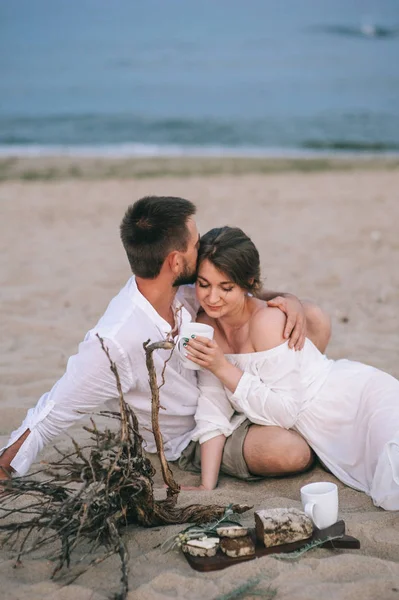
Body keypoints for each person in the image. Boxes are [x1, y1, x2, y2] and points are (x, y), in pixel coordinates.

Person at [0, 197, 331, 484]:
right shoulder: (116, 340)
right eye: (195, 242)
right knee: (290, 452)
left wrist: (287, 298)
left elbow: (233, 292)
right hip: (195, 436)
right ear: (175, 261)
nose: (200, 247)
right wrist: (4, 467)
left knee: (311, 317)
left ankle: (293, 403)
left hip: (229, 388)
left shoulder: (182, 291)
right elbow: (53, 412)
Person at [182, 226, 399, 510]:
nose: (211, 298)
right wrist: (205, 485)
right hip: (317, 426)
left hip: (354, 397)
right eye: (203, 284)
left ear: (248, 283)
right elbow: (212, 407)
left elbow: (286, 412)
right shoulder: (206, 326)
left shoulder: (266, 323)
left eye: (226, 287)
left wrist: (222, 367)